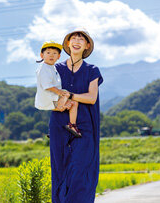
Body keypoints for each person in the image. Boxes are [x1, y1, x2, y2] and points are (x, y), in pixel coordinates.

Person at [49, 28, 103, 202]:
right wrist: (58, 104)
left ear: (87, 46)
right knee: (60, 168)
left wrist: (69, 95)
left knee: (81, 167)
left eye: (82, 38)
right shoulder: (56, 68)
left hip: (85, 126)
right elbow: (48, 96)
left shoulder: (92, 70)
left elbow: (92, 98)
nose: (77, 40)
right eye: (74, 38)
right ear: (67, 44)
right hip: (59, 124)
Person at [34, 41, 81, 138]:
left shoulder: (51, 67)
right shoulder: (44, 68)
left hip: (52, 99)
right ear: (42, 55)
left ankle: (62, 128)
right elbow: (47, 85)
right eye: (48, 53)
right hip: (48, 100)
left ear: (59, 56)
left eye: (55, 53)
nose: (51, 55)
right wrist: (61, 93)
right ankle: (70, 126)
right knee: (68, 97)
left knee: (73, 104)